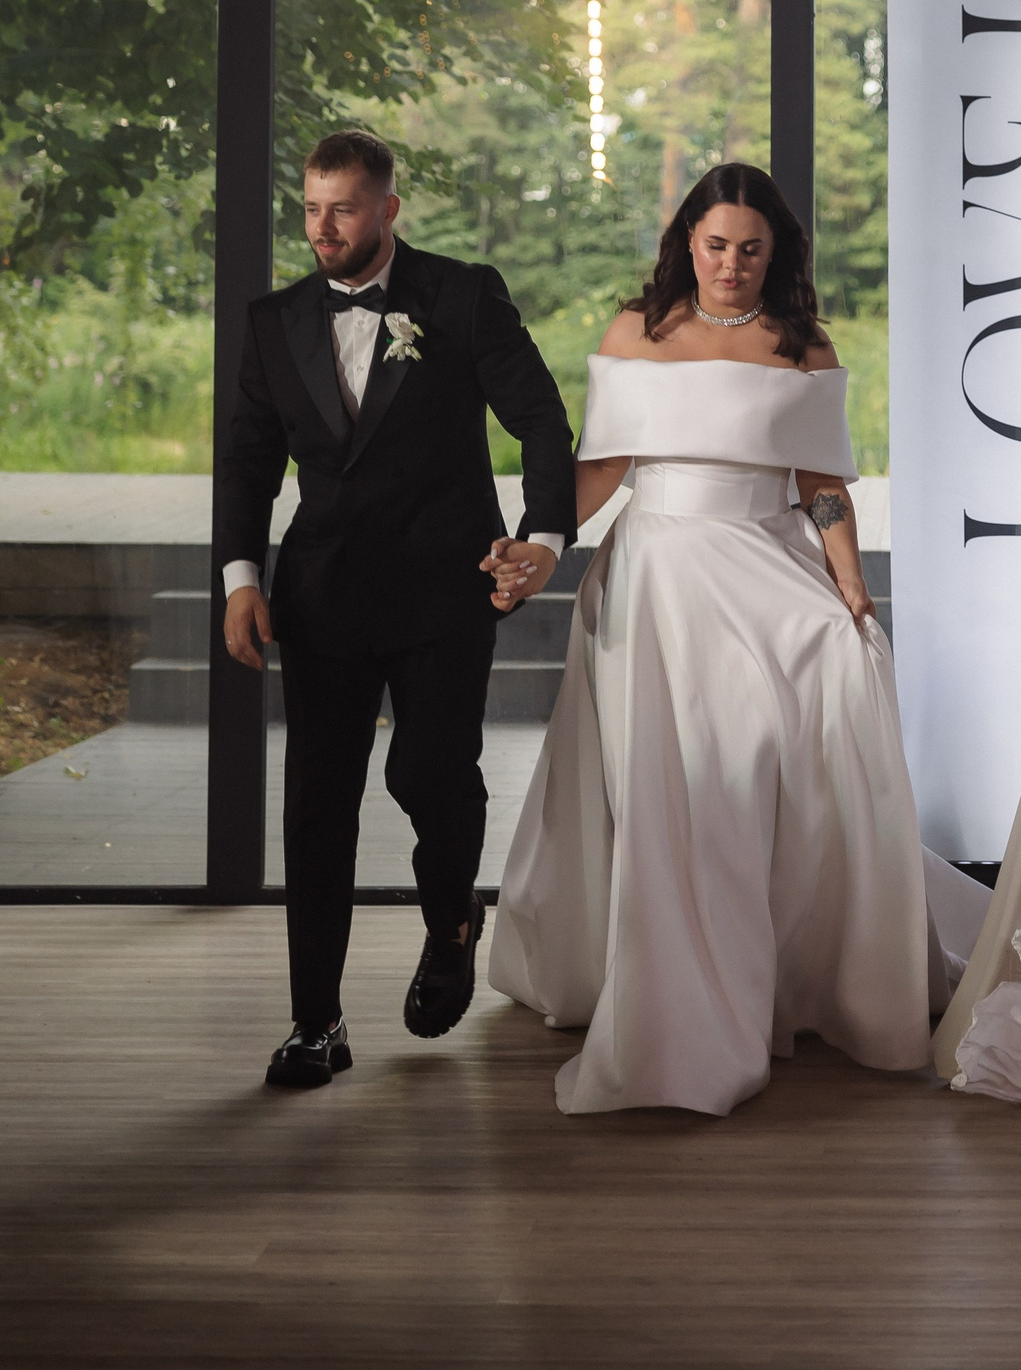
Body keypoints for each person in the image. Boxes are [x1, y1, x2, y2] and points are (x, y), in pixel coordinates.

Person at [490, 161, 977, 1114]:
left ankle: (797, 972)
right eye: (716, 244)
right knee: (685, 775)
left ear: (775, 253)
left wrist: (851, 583)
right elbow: (604, 467)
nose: (731, 263)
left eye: (751, 249)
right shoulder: (636, 331)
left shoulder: (803, 344)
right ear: (689, 241)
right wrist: (541, 545)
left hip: (769, 555)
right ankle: (678, 988)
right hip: (661, 569)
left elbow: (820, 484)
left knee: (831, 682)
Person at [216, 130, 577, 1090]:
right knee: (316, 805)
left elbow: (541, 418)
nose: (322, 227)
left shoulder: (462, 295)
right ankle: (316, 1021)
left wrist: (544, 537)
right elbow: (248, 459)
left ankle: (451, 921)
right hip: (321, 594)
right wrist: (241, 576)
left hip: (443, 587)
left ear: (387, 209)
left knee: (429, 772)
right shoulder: (273, 320)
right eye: (311, 208)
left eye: (342, 208)